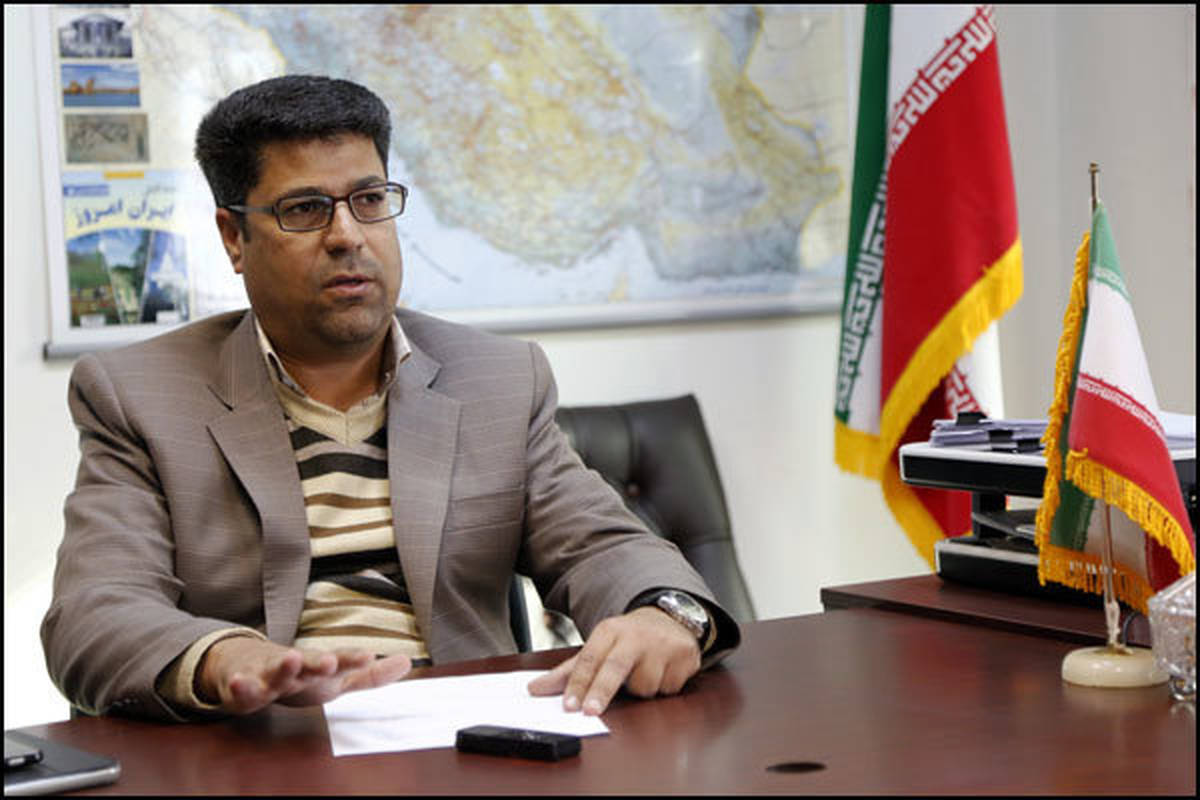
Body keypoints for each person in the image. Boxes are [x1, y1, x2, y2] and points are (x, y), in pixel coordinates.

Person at [42, 75, 739, 723]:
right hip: (263, 748)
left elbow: (599, 545)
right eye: (305, 209)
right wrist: (227, 659)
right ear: (234, 237)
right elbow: (94, 614)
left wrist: (665, 613)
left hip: (465, 739)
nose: (348, 235)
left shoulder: (496, 379)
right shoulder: (138, 396)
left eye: (369, 200)